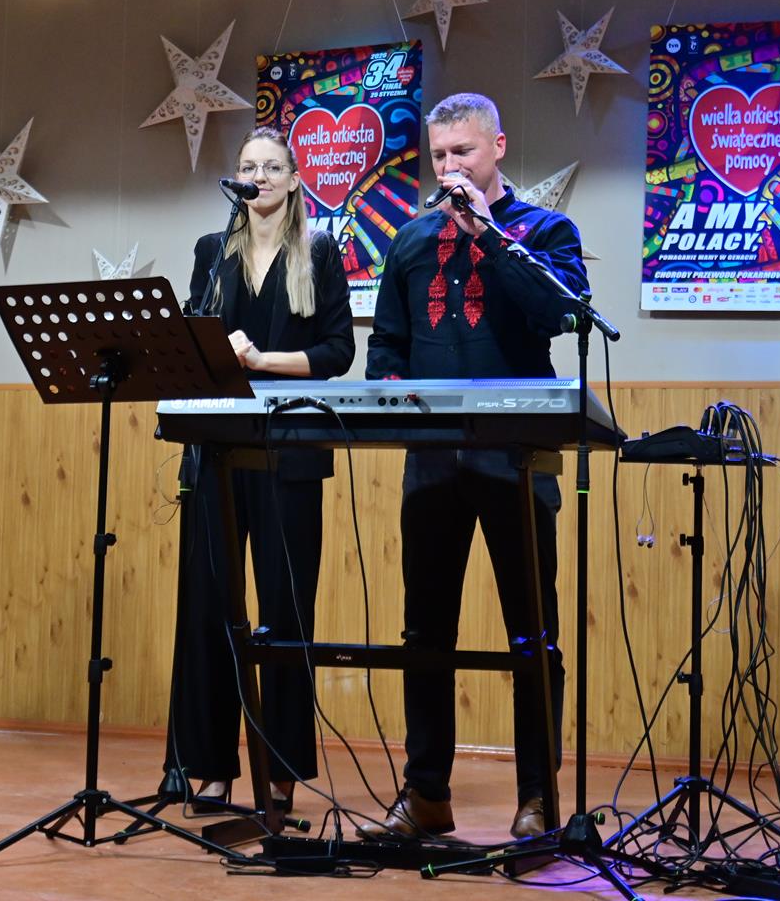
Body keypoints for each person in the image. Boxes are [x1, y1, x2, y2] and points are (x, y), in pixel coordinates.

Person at [358, 93, 589, 840]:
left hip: (515, 458)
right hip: (432, 461)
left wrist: (486, 233)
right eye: (439, 155)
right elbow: (386, 344)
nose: (450, 166)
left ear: (497, 147)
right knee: (425, 632)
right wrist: (390, 393)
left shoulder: (544, 231)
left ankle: (538, 798)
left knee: (532, 632)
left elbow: (561, 313)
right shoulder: (409, 240)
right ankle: (426, 794)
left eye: (463, 151)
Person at [164, 126, 354, 814]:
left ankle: (280, 769)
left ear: (295, 179)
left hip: (290, 454)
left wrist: (260, 361)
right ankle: (209, 765)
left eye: (272, 166)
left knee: (284, 612)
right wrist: (218, 351)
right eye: (249, 166)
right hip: (217, 451)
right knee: (209, 607)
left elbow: (337, 353)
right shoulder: (212, 251)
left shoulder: (320, 250)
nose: (259, 177)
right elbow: (190, 340)